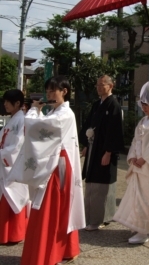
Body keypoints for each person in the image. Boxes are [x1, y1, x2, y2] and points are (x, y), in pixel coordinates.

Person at [8, 75, 85, 265]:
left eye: (53, 90)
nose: (49, 94)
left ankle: (48, 253)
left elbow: (38, 127)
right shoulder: (56, 112)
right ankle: (61, 250)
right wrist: (37, 111)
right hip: (53, 162)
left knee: (51, 208)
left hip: (57, 165)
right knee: (53, 208)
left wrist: (34, 111)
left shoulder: (65, 114)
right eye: (48, 90)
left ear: (64, 92)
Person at [113, 82, 149, 244]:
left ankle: (146, 230)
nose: (144, 108)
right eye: (143, 104)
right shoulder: (142, 121)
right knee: (137, 199)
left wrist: (144, 158)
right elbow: (135, 141)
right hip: (139, 167)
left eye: (146, 105)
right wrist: (132, 156)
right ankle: (140, 227)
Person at [80, 75, 124, 231]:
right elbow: (90, 124)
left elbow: (115, 131)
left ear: (110, 86)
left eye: (102, 84)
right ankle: (89, 216)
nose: (98, 87)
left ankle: (101, 218)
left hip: (105, 150)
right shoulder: (97, 104)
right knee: (91, 183)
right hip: (94, 147)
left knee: (102, 185)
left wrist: (109, 152)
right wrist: (86, 144)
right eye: (97, 84)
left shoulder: (114, 105)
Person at [0, 89, 29, 244]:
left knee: (12, 197)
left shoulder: (21, 120)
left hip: (12, 166)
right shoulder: (13, 120)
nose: (4, 104)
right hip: (5, 164)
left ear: (17, 103)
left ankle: (13, 234)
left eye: (7, 101)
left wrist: (3, 153)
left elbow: (17, 147)